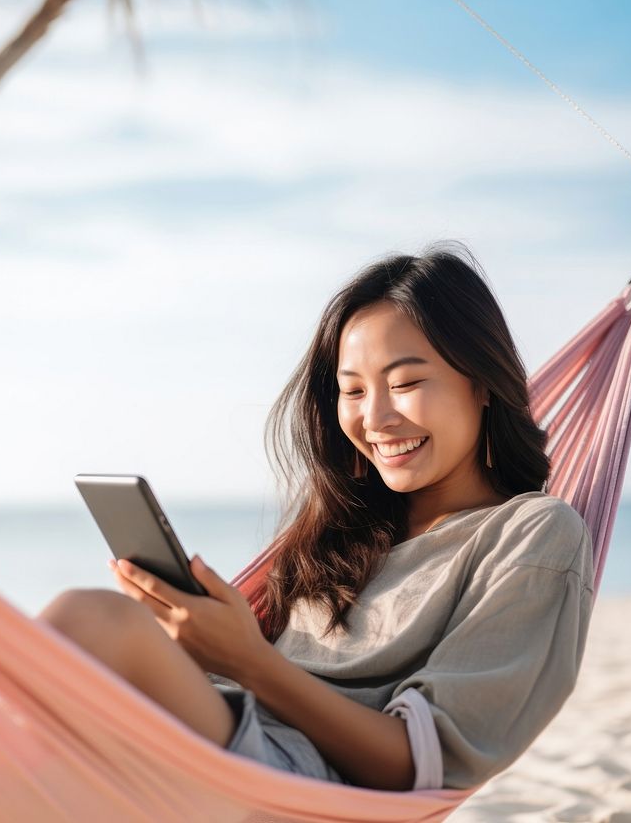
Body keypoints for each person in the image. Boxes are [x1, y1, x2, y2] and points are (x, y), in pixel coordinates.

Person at [36, 240, 594, 792]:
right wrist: (193, 643)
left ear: (482, 384)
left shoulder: (532, 533)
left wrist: (249, 660)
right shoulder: (344, 529)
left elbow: (424, 764)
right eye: (352, 391)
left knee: (92, 620)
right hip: (228, 726)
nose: (375, 418)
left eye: (405, 383)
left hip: (301, 783)